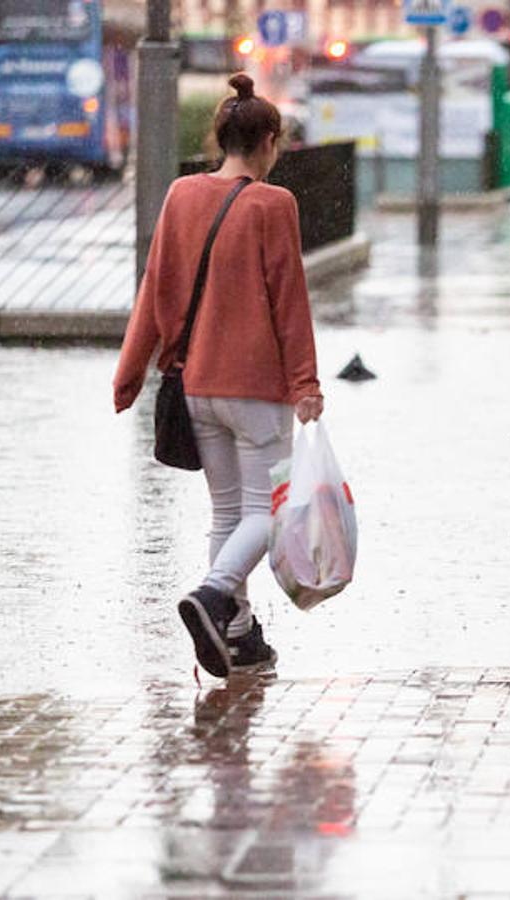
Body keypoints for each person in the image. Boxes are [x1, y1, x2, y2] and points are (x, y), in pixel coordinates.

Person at [112, 74, 323, 678]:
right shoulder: (273, 204)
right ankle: (212, 595)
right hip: (256, 387)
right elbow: (289, 299)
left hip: (196, 384)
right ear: (270, 141)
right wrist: (306, 384)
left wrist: (129, 372)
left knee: (229, 514)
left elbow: (154, 286)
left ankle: (235, 630)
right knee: (271, 512)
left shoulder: (181, 194)